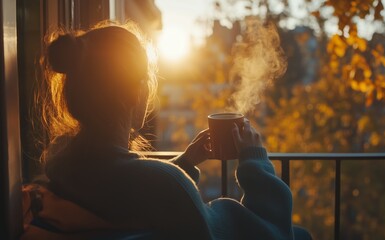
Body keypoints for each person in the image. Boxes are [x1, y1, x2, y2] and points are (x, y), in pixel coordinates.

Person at [35, 22, 312, 240]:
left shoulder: (62, 162)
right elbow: (269, 234)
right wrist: (255, 163)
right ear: (134, 92)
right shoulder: (164, 183)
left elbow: (134, 194)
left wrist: (184, 164)